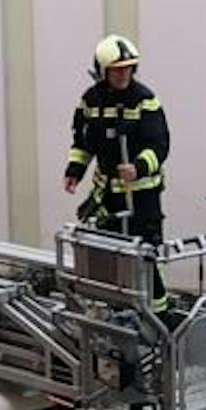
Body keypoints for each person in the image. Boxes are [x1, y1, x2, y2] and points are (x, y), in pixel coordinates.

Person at [62, 33, 171, 305]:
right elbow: (83, 142)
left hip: (141, 197)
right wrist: (75, 171)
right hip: (107, 196)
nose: (123, 75)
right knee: (109, 252)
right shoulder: (91, 101)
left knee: (144, 256)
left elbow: (160, 144)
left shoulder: (144, 100)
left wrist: (138, 167)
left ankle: (158, 316)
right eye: (117, 70)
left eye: (128, 68)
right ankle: (116, 309)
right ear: (102, 70)